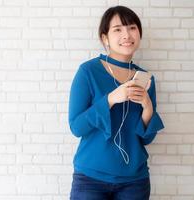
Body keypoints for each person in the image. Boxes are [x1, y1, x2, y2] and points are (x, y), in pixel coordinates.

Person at [68, 5, 165, 200]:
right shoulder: (88, 72)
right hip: (90, 179)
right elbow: (77, 127)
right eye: (118, 29)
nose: (127, 34)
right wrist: (111, 99)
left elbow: (146, 139)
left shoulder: (146, 79)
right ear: (105, 38)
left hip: (134, 181)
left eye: (132, 28)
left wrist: (147, 106)